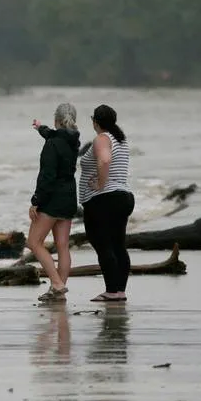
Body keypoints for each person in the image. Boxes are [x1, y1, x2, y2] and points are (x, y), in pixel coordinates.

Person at [79, 104, 134, 302]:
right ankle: (119, 291)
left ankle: (111, 291)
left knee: (103, 244)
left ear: (95, 121)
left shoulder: (102, 138)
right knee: (118, 245)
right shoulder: (120, 140)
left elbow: (104, 160)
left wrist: (100, 185)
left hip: (104, 200)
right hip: (123, 197)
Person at [28, 102, 80, 303]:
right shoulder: (73, 141)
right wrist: (40, 128)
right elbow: (54, 135)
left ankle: (57, 284)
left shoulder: (52, 144)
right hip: (69, 197)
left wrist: (36, 201)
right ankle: (59, 291)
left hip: (52, 200)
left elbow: (47, 176)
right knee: (63, 246)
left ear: (56, 120)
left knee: (34, 242)